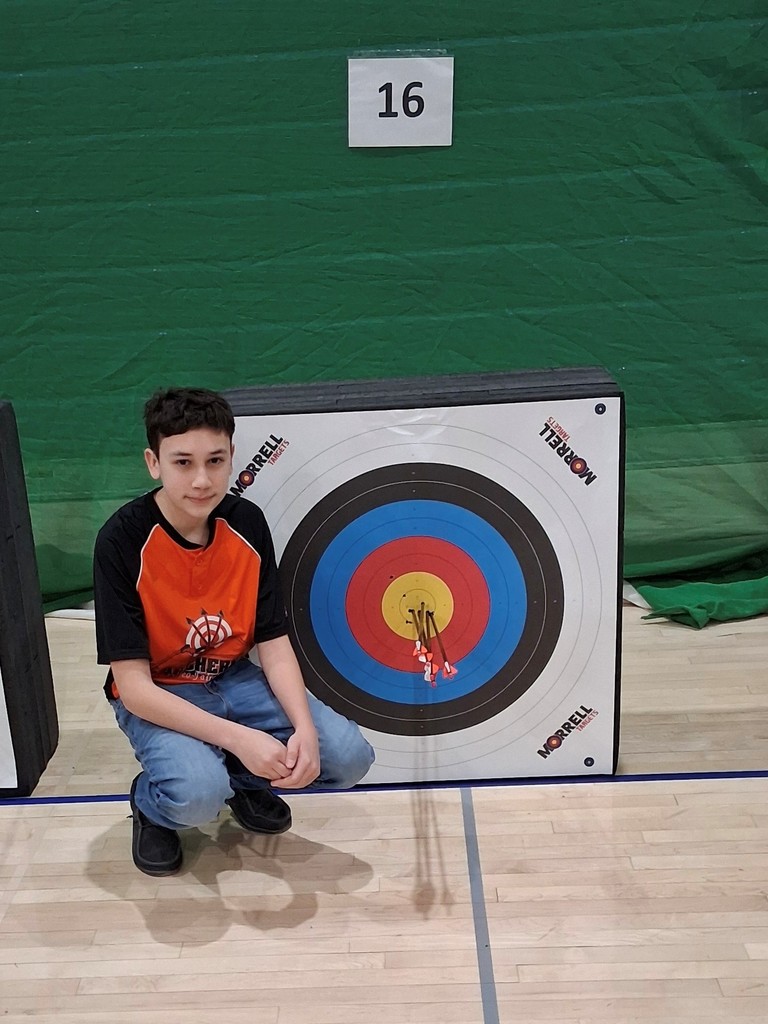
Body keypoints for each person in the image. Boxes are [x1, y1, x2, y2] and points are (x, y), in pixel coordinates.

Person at [93, 387, 375, 876]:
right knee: (196, 798)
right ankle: (150, 803)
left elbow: (273, 641)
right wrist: (242, 740)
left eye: (215, 461)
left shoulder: (247, 522)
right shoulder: (122, 539)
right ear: (152, 462)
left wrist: (304, 729)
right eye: (182, 462)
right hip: (162, 690)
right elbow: (133, 689)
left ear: (231, 459)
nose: (202, 480)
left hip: (234, 678)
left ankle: (243, 783)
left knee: (347, 757)